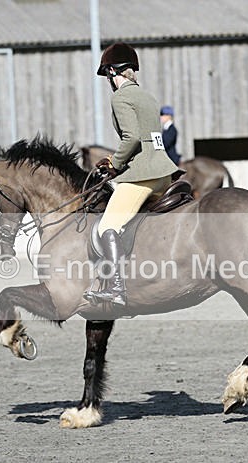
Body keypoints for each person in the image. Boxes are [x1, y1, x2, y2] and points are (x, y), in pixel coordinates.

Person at [84, 42, 180, 307]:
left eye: (108, 76)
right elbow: (151, 138)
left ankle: (116, 288)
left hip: (143, 175)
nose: (108, 81)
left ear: (113, 71)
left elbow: (132, 137)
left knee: (107, 226)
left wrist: (114, 163)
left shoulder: (120, 97)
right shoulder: (148, 97)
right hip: (164, 173)